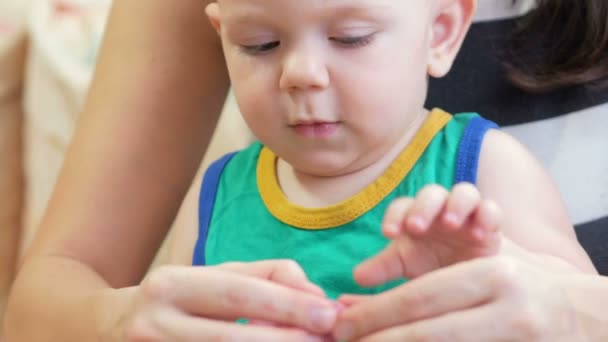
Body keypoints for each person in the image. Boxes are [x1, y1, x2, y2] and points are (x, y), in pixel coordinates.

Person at [4, 1, 608, 342]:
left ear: (442, 31)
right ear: (221, 35)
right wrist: (122, 322)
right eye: (260, 45)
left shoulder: (486, 167)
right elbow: (53, 303)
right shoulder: (218, 194)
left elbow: (567, 306)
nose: (301, 73)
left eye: (350, 37)